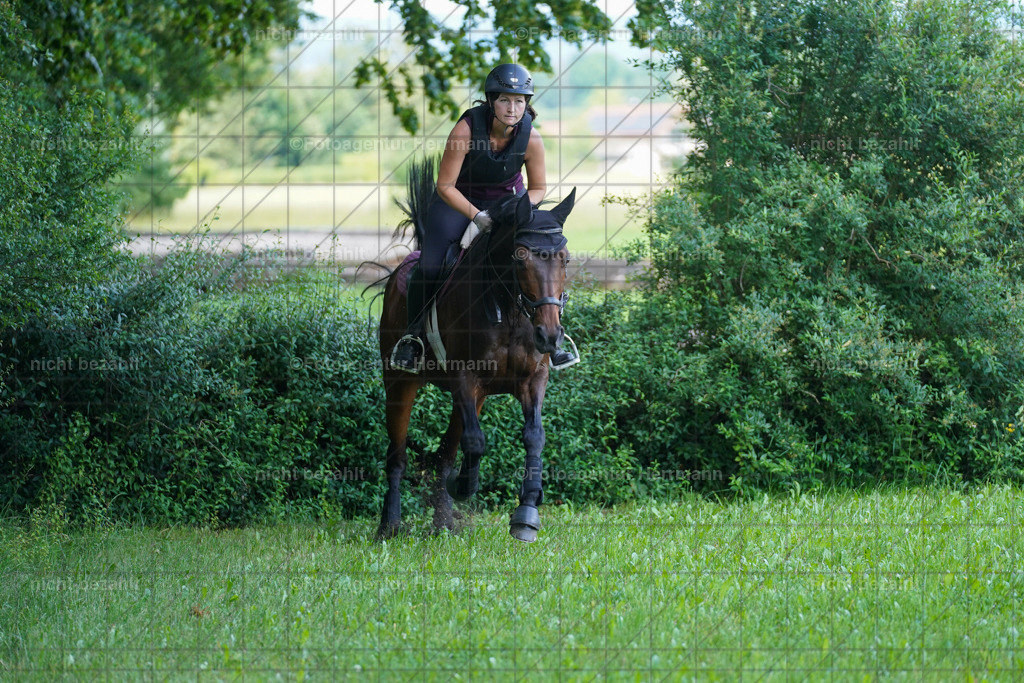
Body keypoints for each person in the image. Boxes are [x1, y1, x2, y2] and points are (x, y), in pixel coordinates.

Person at [390, 63, 579, 373]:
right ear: (491, 101)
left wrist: (517, 209)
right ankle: (413, 338)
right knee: (430, 266)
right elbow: (445, 186)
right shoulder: (465, 129)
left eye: (520, 101)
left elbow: (539, 188)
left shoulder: (531, 138)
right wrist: (478, 217)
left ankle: (553, 340)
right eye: (505, 100)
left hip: (509, 203)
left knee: (541, 259)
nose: (512, 108)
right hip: (457, 201)